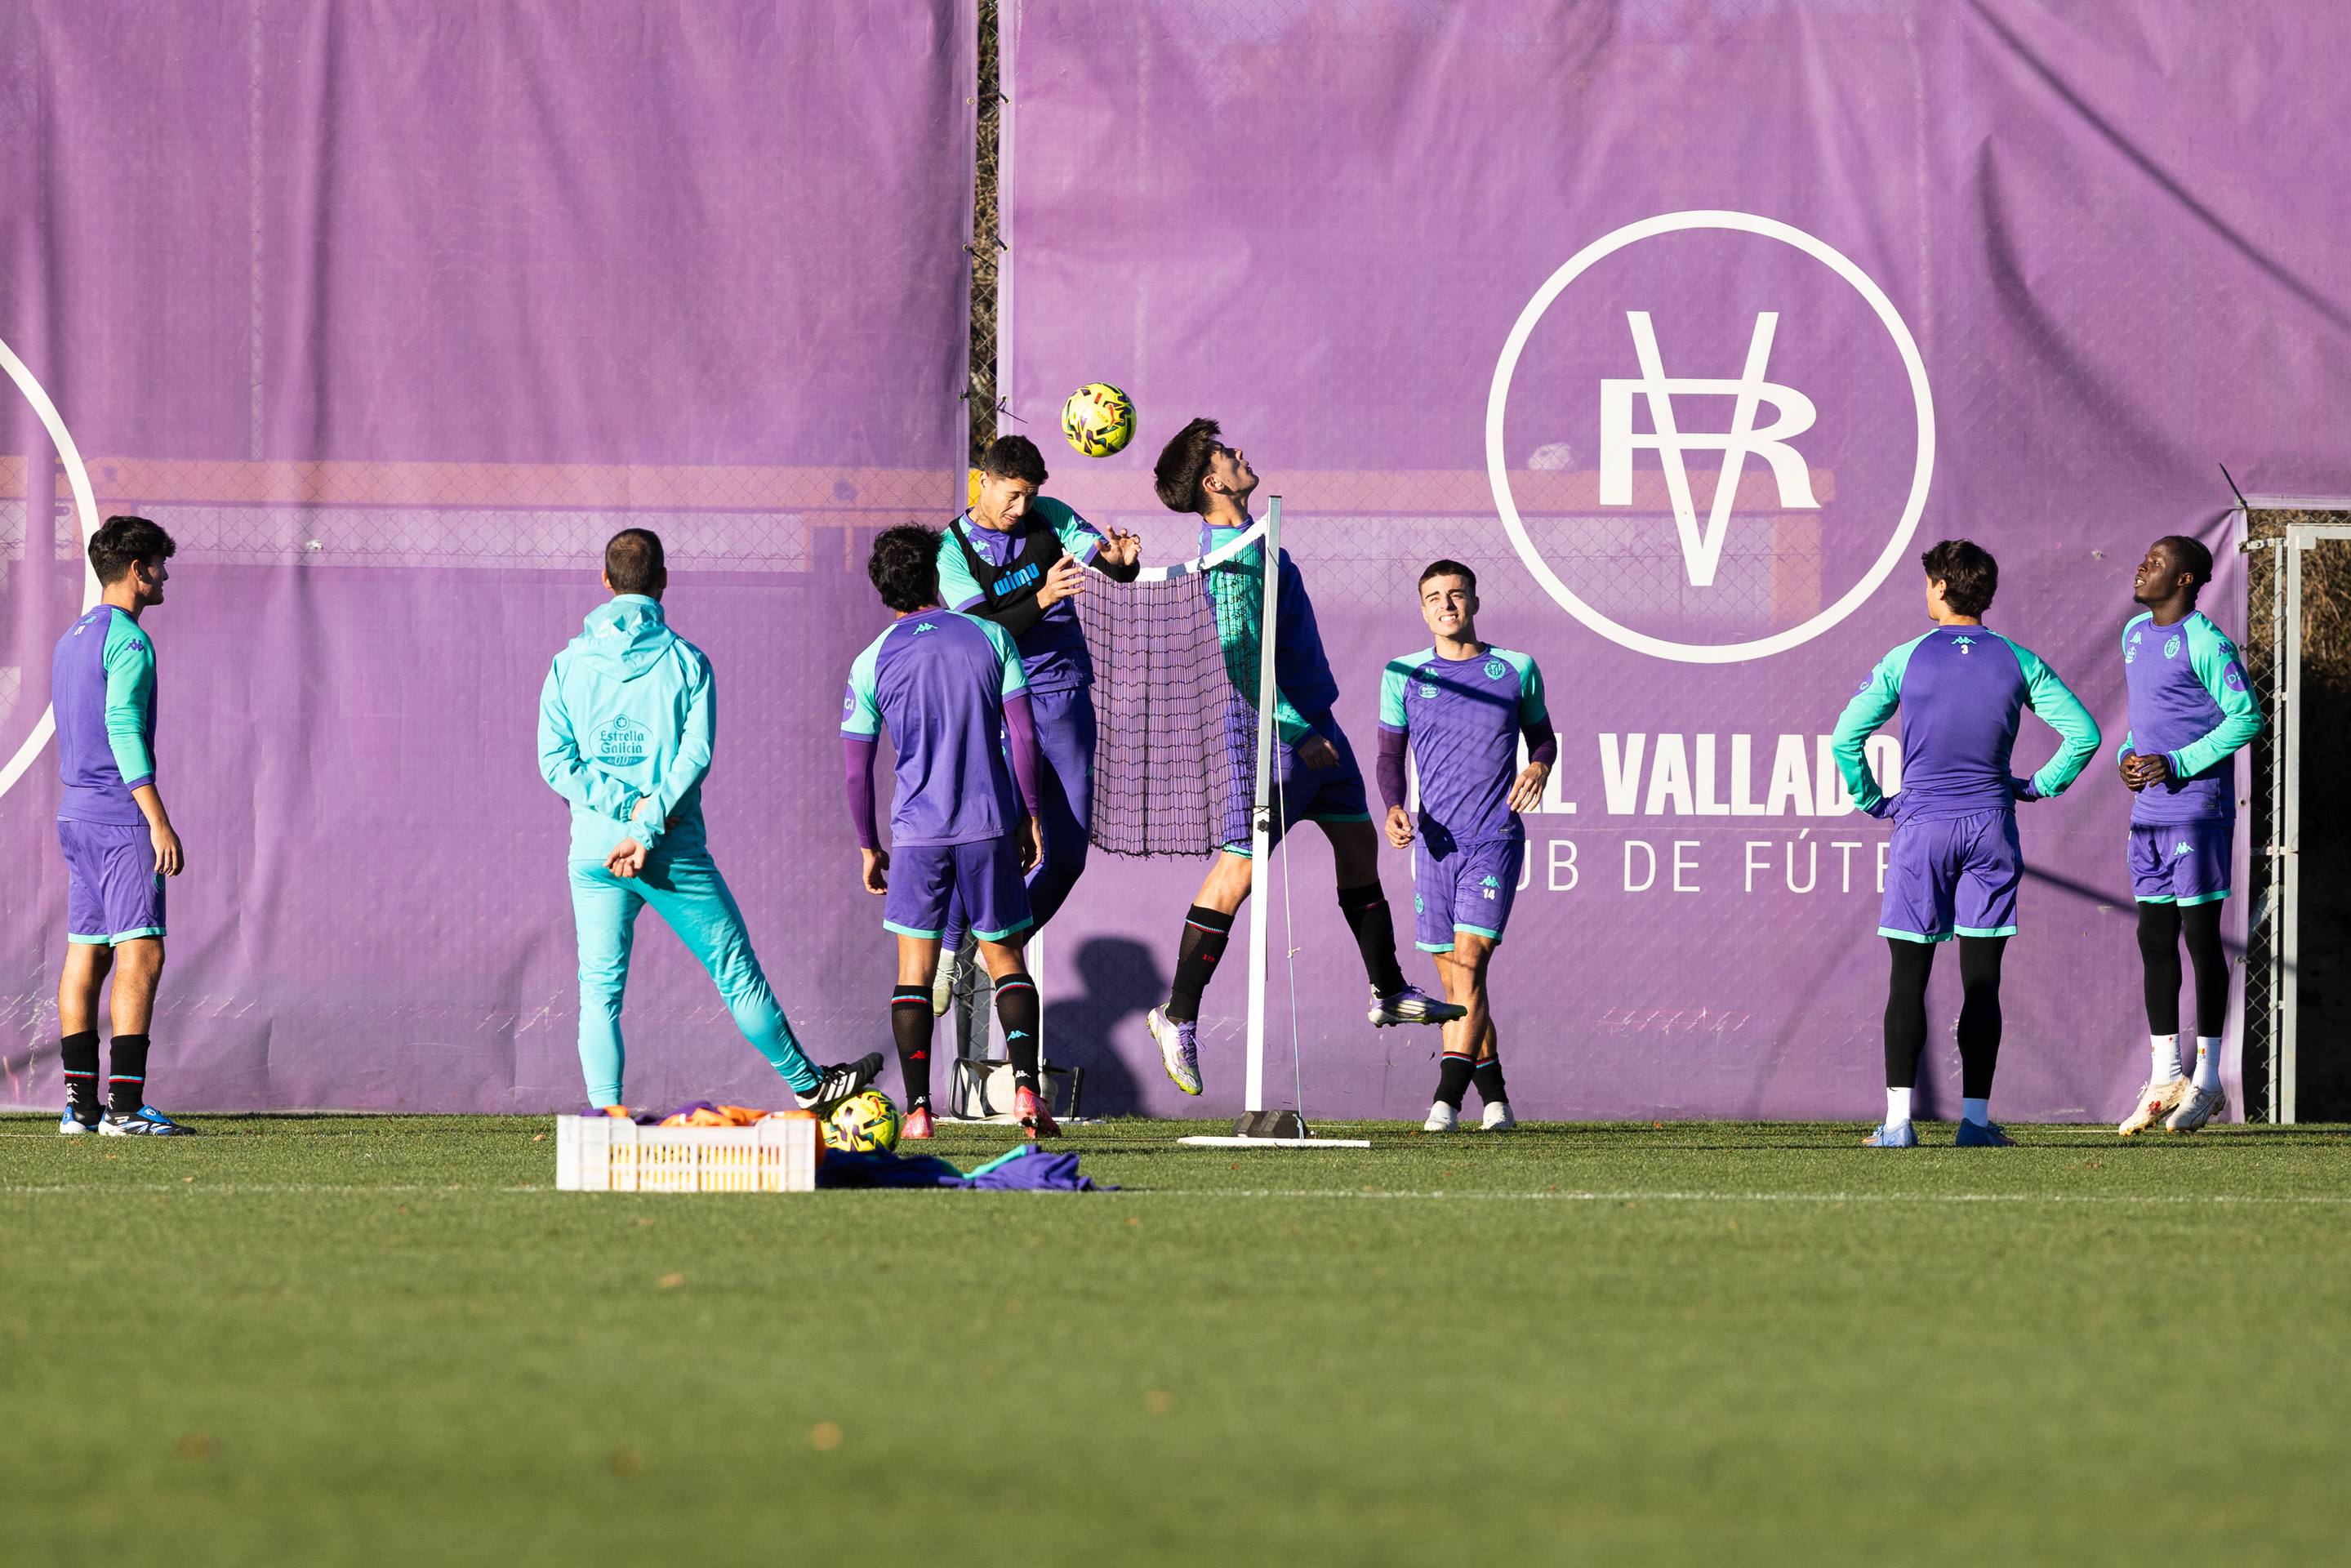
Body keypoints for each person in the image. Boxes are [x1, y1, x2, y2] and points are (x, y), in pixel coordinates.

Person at [1142, 418, 1462, 1097]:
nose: (1239, 453)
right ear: (1213, 483)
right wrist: (1293, 730)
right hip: (1279, 736)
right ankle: (1177, 1016)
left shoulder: (1254, 537)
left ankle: (1387, 990)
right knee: (1236, 873)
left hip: (1318, 725)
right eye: (1225, 453)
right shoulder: (1232, 559)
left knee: (1357, 844)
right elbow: (1239, 662)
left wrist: (1312, 726)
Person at [539, 528, 876, 1114]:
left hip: (595, 854)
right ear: (663, 580)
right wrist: (645, 822)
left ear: (605, 580)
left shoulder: (567, 665)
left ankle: (605, 1117)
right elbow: (694, 758)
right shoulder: (687, 661)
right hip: (670, 854)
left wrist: (625, 812)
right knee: (735, 972)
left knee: (599, 993)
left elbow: (555, 762)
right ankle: (809, 1087)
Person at [1831, 539, 2100, 1147]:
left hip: (1922, 827)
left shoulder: (1905, 657)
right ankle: (1975, 1123)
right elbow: (2083, 734)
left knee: (1907, 978)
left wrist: (1872, 800)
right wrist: (2038, 786)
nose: (1925, 591)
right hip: (1989, 827)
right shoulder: (2017, 659)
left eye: (1928, 581)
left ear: (1942, 588)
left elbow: (1845, 737)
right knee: (1983, 979)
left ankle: (1897, 1124)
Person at [845, 524, 1056, 1140]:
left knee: (915, 971)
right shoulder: (989, 636)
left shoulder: (870, 660)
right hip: (988, 825)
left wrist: (868, 845)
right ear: (935, 576)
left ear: (882, 588)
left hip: (917, 835)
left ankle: (917, 1111)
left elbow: (856, 771)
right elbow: (1024, 736)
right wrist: (1030, 813)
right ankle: (1026, 1091)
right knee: (1004, 957)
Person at [928, 436, 1142, 1014]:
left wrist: (1123, 563)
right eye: (1012, 494)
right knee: (988, 841)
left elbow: (1108, 564)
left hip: (1065, 696)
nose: (1020, 508)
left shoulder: (1049, 516)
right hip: (1000, 704)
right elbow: (980, 637)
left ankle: (999, 946)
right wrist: (1043, 597)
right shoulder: (952, 550)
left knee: (1067, 857)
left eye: (1029, 495)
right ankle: (945, 955)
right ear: (985, 480)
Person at [1376, 561, 1556, 1133]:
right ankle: (1496, 1101)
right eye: (1434, 597)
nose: (1446, 605)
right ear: (1422, 609)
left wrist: (1538, 766)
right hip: (1433, 846)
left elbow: (1543, 739)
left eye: (1456, 594)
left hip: (1493, 838)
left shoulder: (1516, 668)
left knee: (1470, 963)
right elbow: (1389, 755)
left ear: (1475, 602)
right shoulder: (1401, 672)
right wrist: (1394, 805)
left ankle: (1445, 1102)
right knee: (1458, 984)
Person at [2115, 535, 2260, 1136]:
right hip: (2148, 813)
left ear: (2183, 580)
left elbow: (2246, 717)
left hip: (2197, 812)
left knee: (2200, 939)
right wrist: (2128, 756)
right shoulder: (2132, 635)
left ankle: (2207, 1080)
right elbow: (2145, 722)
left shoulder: (2205, 641)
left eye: (2154, 563)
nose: (2141, 567)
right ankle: (2163, 1076)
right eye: (2143, 559)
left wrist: (2178, 762)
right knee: (2154, 937)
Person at [52, 515, 190, 1135]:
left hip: (76, 813)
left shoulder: (72, 637)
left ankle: (80, 1108)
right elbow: (123, 726)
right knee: (143, 948)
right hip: (118, 816)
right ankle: (126, 1109)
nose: (165, 577)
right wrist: (157, 819)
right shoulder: (129, 639)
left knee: (87, 951)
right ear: (138, 571)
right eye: (160, 565)